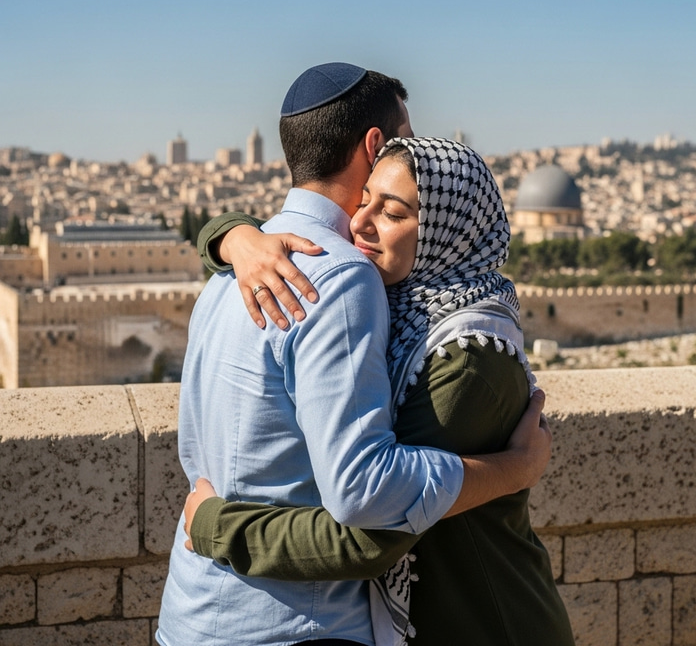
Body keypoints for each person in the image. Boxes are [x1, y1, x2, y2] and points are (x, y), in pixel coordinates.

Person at [156, 64, 552, 646]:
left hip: (191, 610)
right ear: (374, 145)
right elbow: (367, 498)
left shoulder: (232, 273)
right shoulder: (341, 278)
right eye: (403, 137)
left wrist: (228, 235)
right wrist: (515, 471)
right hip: (294, 627)